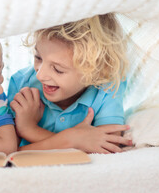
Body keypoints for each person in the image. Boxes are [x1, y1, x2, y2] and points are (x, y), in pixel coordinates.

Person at [8, 13, 133, 154]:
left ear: (97, 71)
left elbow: (108, 146)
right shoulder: (21, 84)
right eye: (38, 58)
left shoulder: (109, 85)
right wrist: (74, 140)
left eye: (57, 69)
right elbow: (10, 152)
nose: (40, 75)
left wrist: (30, 130)